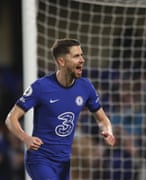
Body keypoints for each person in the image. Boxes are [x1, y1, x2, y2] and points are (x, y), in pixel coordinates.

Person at [5, 38, 116, 180]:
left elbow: (102, 118)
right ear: (61, 61)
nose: (82, 60)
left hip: (64, 163)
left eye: (82, 55)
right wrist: (25, 138)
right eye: (76, 56)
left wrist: (107, 129)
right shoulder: (41, 87)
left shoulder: (85, 87)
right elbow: (11, 118)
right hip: (40, 160)